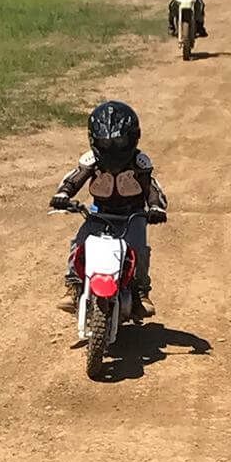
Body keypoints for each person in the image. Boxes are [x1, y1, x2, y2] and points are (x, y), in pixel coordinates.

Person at [50, 101, 168, 318]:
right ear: (95, 141)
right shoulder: (92, 161)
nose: (113, 149)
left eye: (120, 141)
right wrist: (63, 194)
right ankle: (74, 286)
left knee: (139, 249)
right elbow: (75, 178)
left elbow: (152, 188)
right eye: (106, 143)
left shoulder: (139, 163)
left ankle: (140, 291)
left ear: (133, 138)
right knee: (79, 243)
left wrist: (156, 207)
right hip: (99, 212)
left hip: (133, 215)